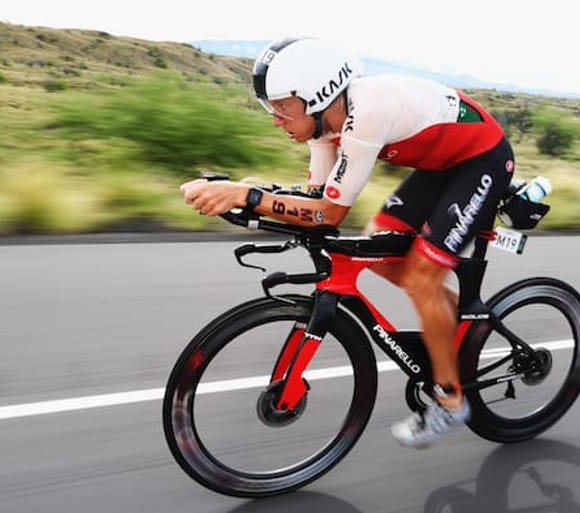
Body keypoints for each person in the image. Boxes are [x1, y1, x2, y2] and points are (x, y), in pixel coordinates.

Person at [180, 37, 515, 448]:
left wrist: (249, 196)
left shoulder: (367, 113)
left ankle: (451, 402)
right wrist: (247, 192)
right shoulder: (323, 125)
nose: (275, 120)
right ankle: (444, 328)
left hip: (482, 160)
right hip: (441, 167)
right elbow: (314, 199)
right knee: (378, 252)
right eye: (271, 109)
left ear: (319, 96)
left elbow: (330, 214)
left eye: (283, 107)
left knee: (422, 278)